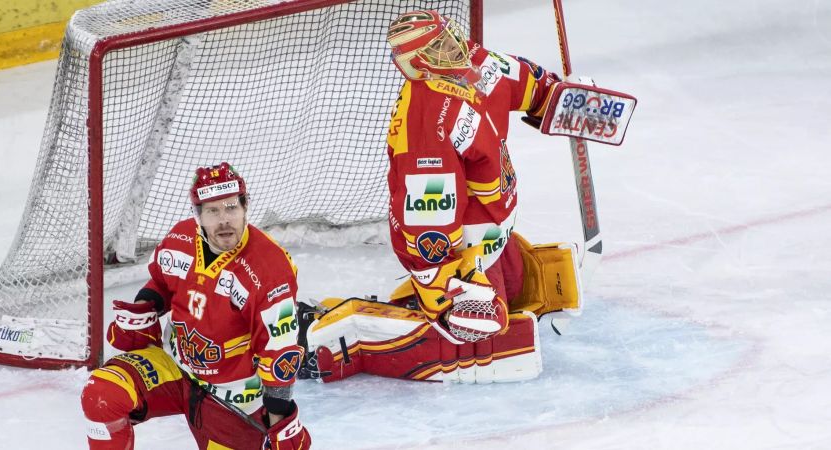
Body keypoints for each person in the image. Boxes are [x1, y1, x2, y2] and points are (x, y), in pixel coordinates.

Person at [298, 10, 582, 384]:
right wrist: (446, 285)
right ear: (420, 64)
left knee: (521, 285)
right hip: (457, 248)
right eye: (441, 47)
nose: (456, 48)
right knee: (483, 327)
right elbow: (426, 219)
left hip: (493, 231)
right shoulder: (426, 125)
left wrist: (562, 100)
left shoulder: (475, 64)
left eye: (451, 37)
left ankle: (417, 303)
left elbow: (523, 82)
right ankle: (343, 333)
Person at [82, 162, 311, 449]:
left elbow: (279, 353)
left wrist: (280, 421)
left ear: (245, 207)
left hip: (232, 396)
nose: (224, 220)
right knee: (101, 393)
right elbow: (162, 282)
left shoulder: (269, 268)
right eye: (213, 210)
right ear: (198, 214)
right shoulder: (180, 238)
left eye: (231, 207)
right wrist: (144, 306)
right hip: (176, 369)